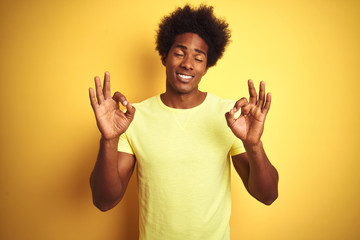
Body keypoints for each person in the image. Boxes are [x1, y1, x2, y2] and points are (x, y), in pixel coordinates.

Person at [89, 4, 278, 240]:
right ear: (164, 56)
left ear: (206, 67)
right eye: (179, 53)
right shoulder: (133, 117)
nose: (187, 63)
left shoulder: (230, 115)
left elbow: (268, 195)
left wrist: (254, 144)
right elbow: (104, 201)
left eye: (198, 58)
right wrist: (108, 139)